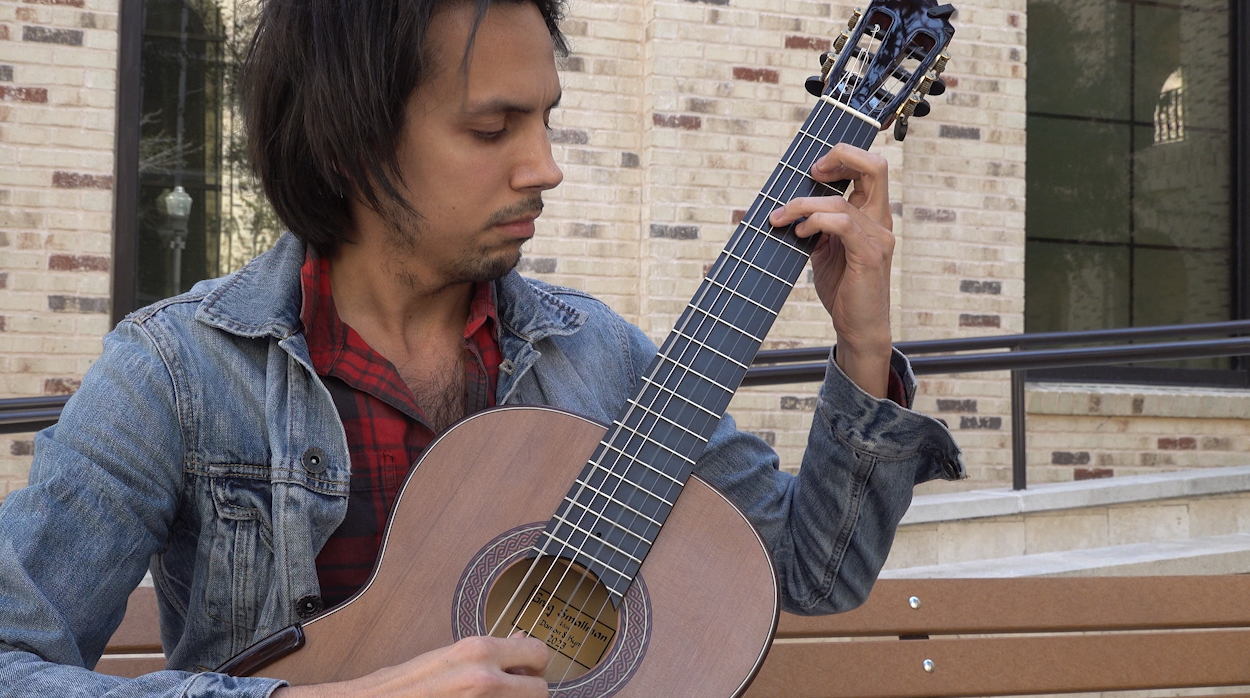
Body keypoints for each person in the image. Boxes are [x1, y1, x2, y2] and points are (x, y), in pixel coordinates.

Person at [0, 0, 963, 696]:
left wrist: (861, 343)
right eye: (493, 127)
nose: (544, 166)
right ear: (346, 143)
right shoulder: (176, 374)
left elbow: (814, 574)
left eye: (545, 118)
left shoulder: (600, 358)